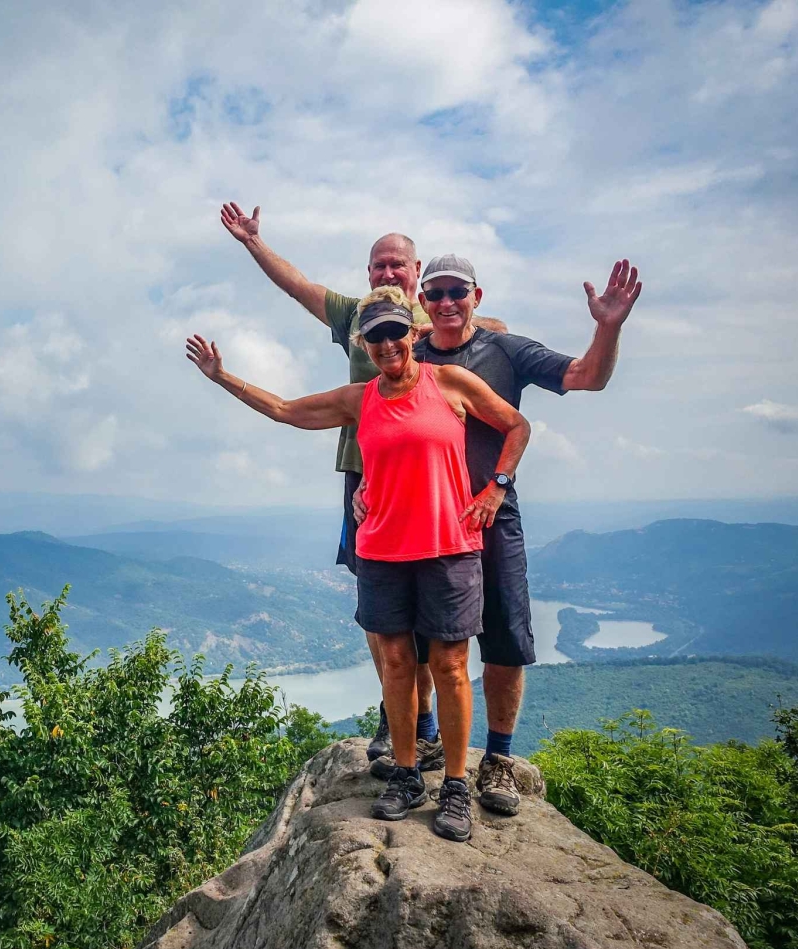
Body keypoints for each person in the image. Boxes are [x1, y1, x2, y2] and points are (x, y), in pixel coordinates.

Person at [184, 287, 531, 843]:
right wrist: (222, 376)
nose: (388, 344)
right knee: (396, 662)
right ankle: (407, 774)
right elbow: (286, 411)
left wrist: (496, 487)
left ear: (412, 333)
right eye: (376, 336)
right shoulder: (360, 398)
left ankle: (456, 786)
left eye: (395, 331)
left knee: (448, 665)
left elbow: (516, 425)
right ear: (364, 345)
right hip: (383, 549)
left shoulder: (449, 383)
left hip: (448, 545)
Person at [218, 204, 508, 773]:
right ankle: (402, 717)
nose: (387, 272)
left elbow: (488, 333)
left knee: (440, 627)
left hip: (431, 480)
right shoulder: (357, 314)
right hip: (366, 471)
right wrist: (253, 243)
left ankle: (435, 741)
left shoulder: (436, 319)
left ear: (416, 272)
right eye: (379, 265)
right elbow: (298, 288)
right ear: (368, 273)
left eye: (398, 264)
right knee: (382, 615)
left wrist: (451, 324)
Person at [358, 253, 642, 816]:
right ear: (422, 303)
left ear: (476, 296)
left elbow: (587, 377)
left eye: (456, 292)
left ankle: (498, 760)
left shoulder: (505, 350)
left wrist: (607, 327)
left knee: (506, 637)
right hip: (427, 524)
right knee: (421, 644)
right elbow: (386, 426)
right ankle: (426, 740)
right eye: (435, 293)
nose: (446, 302)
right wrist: (369, 482)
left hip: (491, 515)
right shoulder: (407, 354)